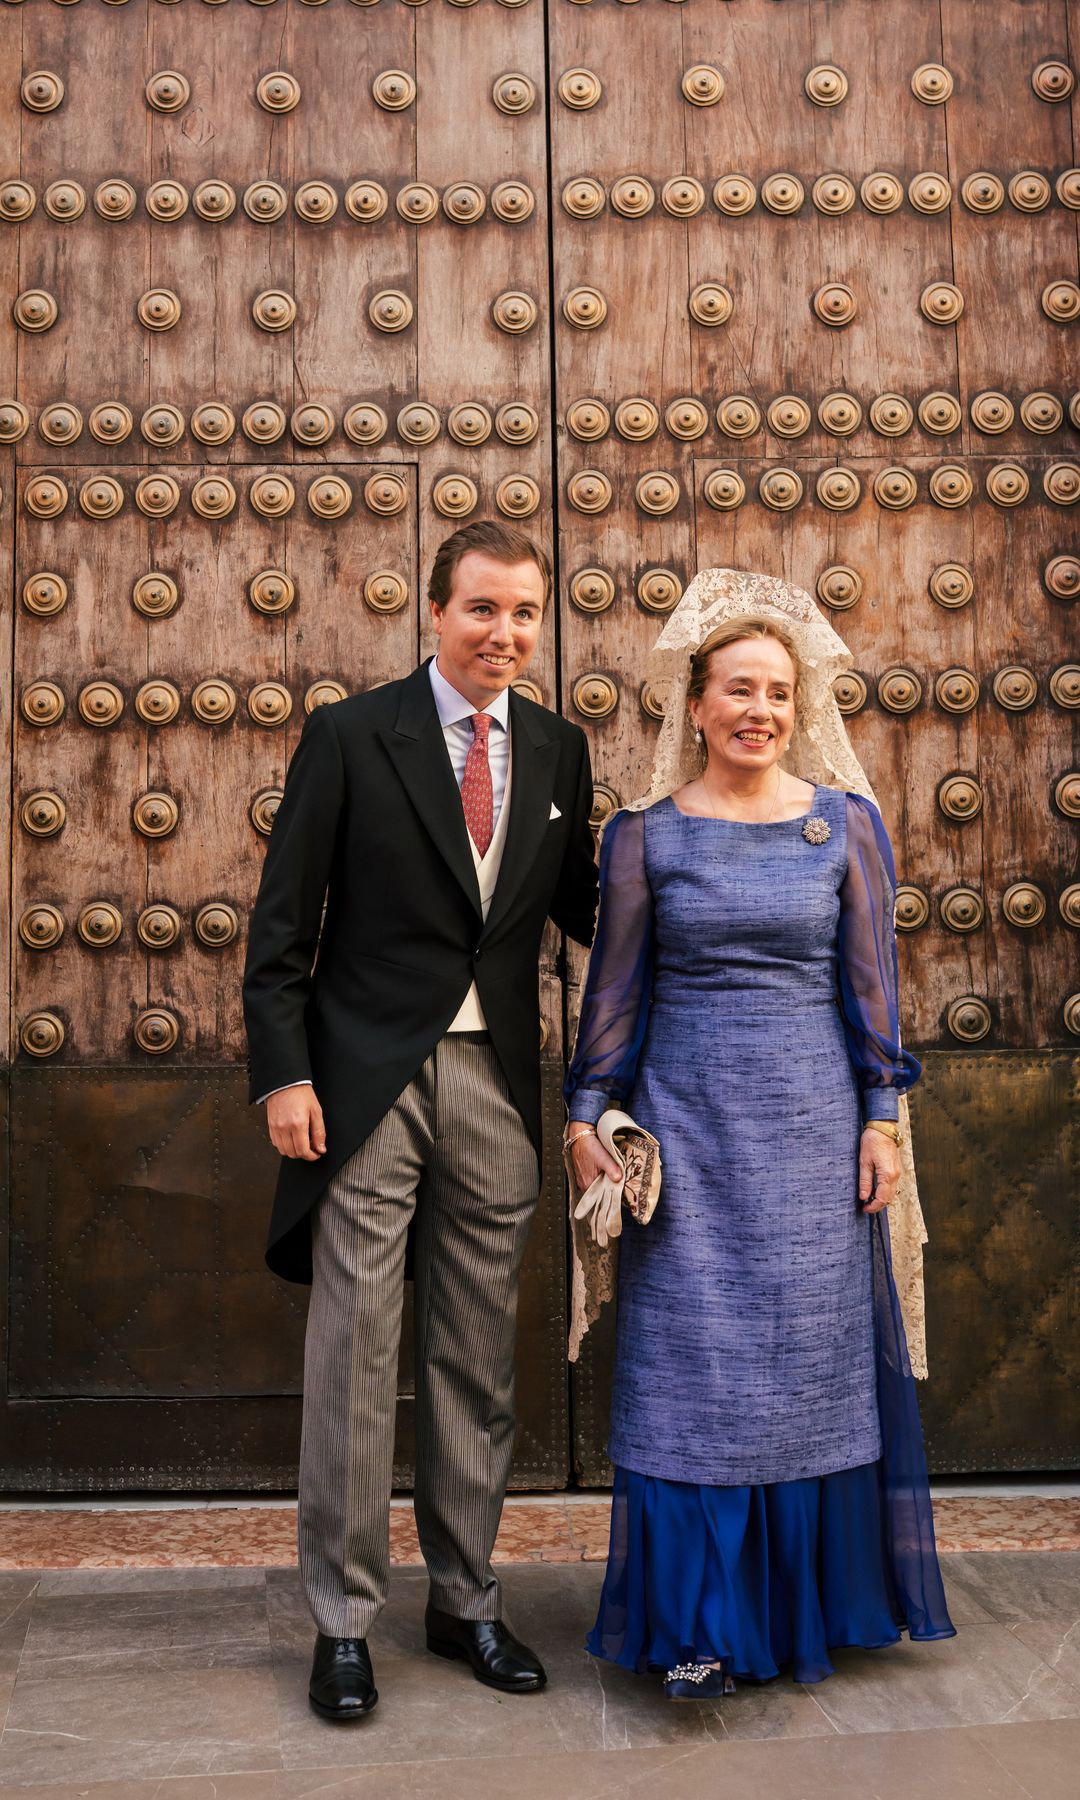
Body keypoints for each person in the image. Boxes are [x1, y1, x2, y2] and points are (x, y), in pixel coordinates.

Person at [564, 568, 955, 1698]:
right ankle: (697, 1629)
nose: (760, 711)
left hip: (813, 1137)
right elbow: (615, 996)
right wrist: (588, 1113)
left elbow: (872, 990)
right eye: (739, 689)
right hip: (687, 1138)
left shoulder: (846, 826)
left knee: (807, 1366)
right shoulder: (643, 837)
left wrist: (881, 1120)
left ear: (801, 707)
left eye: (779, 693)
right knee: (689, 1372)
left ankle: (800, 1615)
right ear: (695, 705)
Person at [243, 520, 598, 1721]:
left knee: (474, 1357)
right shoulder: (353, 736)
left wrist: (731, 855)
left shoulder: (558, 750)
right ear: (436, 612)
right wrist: (285, 1078)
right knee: (354, 1355)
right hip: (366, 1087)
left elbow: (592, 908)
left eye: (524, 613)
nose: (505, 633)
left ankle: (465, 1600)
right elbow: (281, 928)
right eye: (482, 608)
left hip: (497, 1082)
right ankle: (344, 1621)